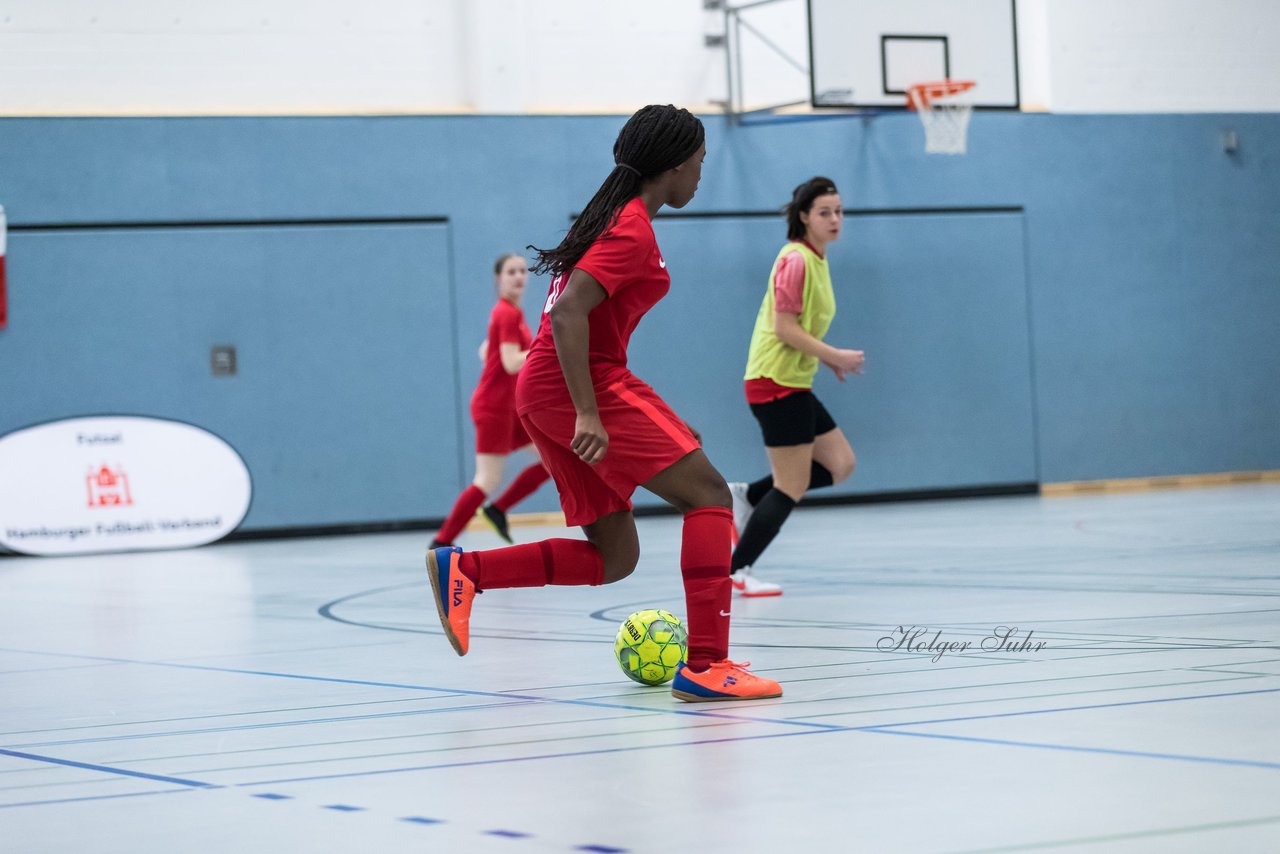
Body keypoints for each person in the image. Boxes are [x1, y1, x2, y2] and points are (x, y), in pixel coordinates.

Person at [426, 104, 781, 702]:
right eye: (699, 162)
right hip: (574, 386)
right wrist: (589, 412)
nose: (700, 174)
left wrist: (655, 417)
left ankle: (468, 571)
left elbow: (590, 327)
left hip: (549, 389)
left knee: (615, 556)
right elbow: (567, 317)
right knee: (711, 496)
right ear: (673, 165)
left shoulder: (614, 219)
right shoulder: (632, 227)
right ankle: (707, 664)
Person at [727, 177, 864, 597]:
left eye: (839, 211)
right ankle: (737, 569)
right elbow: (783, 328)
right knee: (792, 484)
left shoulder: (816, 259)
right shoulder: (797, 261)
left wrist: (823, 357)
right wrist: (835, 354)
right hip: (775, 383)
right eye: (825, 212)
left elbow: (798, 327)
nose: (835, 219)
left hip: (794, 381)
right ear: (804, 216)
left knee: (840, 464)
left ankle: (747, 495)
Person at [430, 254, 551, 549]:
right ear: (499, 278)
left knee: (551, 461)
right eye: (511, 271)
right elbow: (510, 363)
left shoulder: (509, 313)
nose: (519, 276)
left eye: (523, 271)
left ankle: (498, 510)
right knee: (487, 479)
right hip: (494, 407)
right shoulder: (506, 313)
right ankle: (441, 541)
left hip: (509, 406)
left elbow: (486, 351)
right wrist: (547, 347)